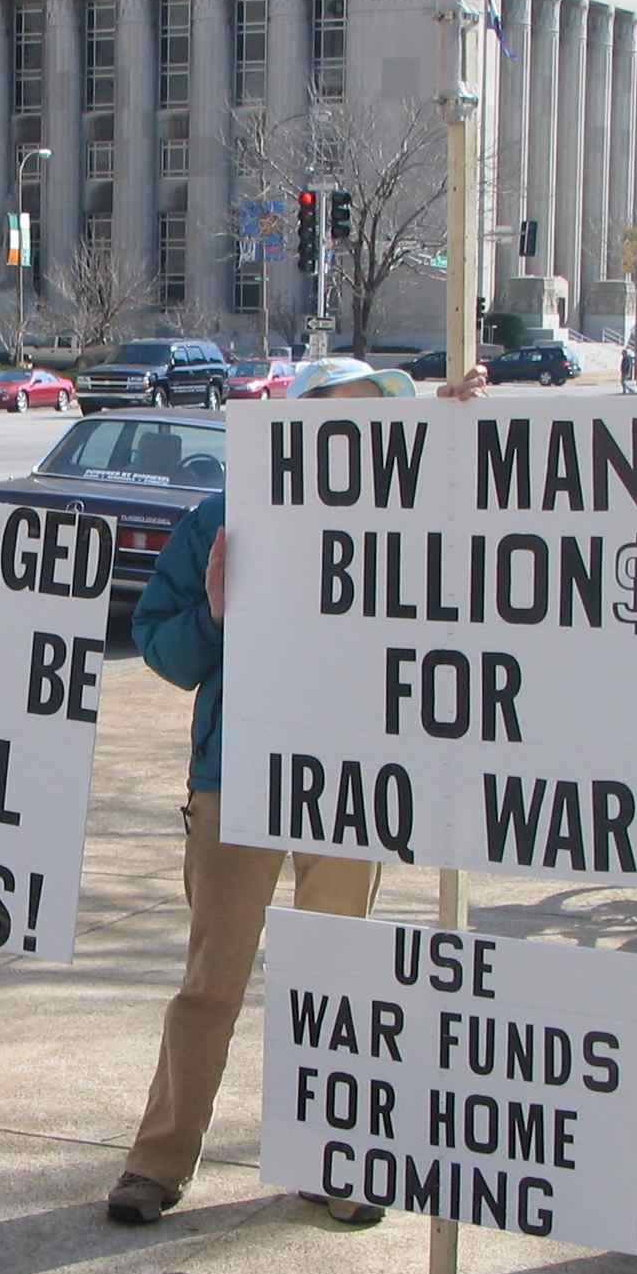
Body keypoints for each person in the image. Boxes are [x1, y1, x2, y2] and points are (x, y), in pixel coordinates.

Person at [105, 354, 488, 1227]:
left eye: (370, 419)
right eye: (332, 417)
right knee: (211, 978)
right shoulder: (219, 523)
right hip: (234, 778)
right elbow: (164, 649)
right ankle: (157, 1162)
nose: (349, 436)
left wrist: (463, 436)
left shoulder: (408, 521)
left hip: (354, 781)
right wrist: (215, 614)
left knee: (338, 980)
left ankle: (337, 1157)